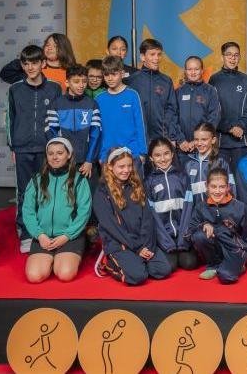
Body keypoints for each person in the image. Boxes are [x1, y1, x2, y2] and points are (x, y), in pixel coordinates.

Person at [9, 45, 63, 252]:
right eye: (26, 63)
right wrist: (13, 146)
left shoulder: (55, 88)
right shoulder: (15, 89)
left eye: (34, 62)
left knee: (46, 189)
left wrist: (57, 145)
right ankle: (26, 232)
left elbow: (58, 118)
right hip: (22, 148)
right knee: (25, 191)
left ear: (43, 64)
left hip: (46, 148)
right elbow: (11, 118)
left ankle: (46, 228)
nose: (30, 67)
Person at [93, 148, 173, 285]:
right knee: (137, 276)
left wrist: (147, 245)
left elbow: (148, 219)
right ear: (110, 167)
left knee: (162, 270)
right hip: (120, 243)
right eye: (121, 166)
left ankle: (136, 261)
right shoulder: (102, 192)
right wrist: (137, 248)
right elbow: (112, 227)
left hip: (141, 242)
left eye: (129, 166)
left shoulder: (136, 185)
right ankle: (109, 263)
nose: (126, 170)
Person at [22, 138, 92, 283]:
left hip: (69, 236)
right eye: (51, 153)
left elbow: (84, 212)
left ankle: (71, 254)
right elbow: (28, 211)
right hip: (44, 237)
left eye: (60, 153)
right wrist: (40, 235)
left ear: (69, 155)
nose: (54, 157)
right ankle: (52, 258)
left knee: (64, 274)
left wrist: (67, 235)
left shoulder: (79, 180)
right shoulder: (37, 179)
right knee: (34, 276)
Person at [190, 169, 247, 283]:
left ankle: (239, 265)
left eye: (221, 187)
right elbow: (190, 229)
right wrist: (204, 224)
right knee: (199, 236)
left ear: (228, 187)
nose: (217, 191)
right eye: (213, 187)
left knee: (226, 277)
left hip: (236, 250)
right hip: (217, 249)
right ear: (207, 186)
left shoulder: (239, 207)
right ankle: (214, 265)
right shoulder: (201, 207)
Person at [144, 138, 198, 271]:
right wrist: (166, 242)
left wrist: (183, 239)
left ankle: (181, 247)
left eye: (166, 153)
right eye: (157, 155)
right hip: (163, 238)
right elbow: (152, 218)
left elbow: (188, 211)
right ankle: (169, 249)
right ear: (151, 158)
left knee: (190, 263)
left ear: (172, 154)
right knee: (170, 266)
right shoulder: (148, 182)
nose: (163, 159)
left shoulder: (182, 177)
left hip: (182, 236)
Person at [47, 65, 101, 183]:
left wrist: (89, 160)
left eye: (84, 81)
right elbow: (52, 133)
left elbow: (95, 134)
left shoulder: (92, 104)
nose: (81, 85)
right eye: (76, 81)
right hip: (64, 162)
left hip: (86, 163)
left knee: (87, 198)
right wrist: (61, 159)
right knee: (66, 197)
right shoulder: (56, 104)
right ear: (67, 82)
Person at [209, 41, 247, 170]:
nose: (232, 58)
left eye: (236, 55)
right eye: (229, 54)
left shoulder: (245, 79)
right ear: (222, 57)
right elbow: (212, 111)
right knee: (220, 179)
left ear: (240, 57)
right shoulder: (214, 79)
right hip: (220, 141)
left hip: (240, 141)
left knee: (240, 179)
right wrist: (230, 128)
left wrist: (240, 126)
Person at [126, 38, 180, 145]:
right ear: (142, 57)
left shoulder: (166, 81)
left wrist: (172, 136)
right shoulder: (131, 81)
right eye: (152, 54)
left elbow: (172, 110)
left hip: (161, 138)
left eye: (159, 54)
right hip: (136, 138)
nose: (156, 58)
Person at [96, 56, 147, 164]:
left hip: (132, 153)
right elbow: (97, 130)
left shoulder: (132, 95)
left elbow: (140, 124)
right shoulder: (99, 99)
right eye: (106, 75)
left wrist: (142, 152)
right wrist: (100, 155)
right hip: (107, 155)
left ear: (122, 74)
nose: (110, 78)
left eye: (114, 74)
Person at [1, 32, 76, 86]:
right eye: (47, 45)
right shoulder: (34, 69)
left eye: (55, 46)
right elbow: (5, 74)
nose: (49, 48)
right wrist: (26, 60)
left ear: (64, 48)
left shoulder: (72, 71)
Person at [186, 122, 233, 206]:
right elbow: (187, 195)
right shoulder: (189, 164)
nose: (199, 143)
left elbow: (231, 189)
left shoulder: (221, 162)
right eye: (196, 139)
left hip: (217, 213)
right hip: (196, 215)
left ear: (213, 140)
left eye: (204, 139)